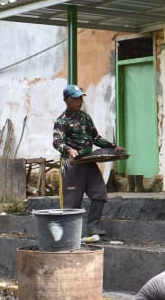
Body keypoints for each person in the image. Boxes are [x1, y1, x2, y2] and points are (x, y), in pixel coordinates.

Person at [52, 83, 125, 236]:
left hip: (89, 162)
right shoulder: (62, 120)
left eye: (80, 98)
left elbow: (96, 138)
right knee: (72, 202)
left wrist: (113, 147)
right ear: (66, 100)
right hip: (72, 165)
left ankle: (93, 226)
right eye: (75, 99)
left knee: (100, 193)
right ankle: (69, 234)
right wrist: (69, 150)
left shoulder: (86, 118)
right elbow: (57, 141)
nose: (79, 102)